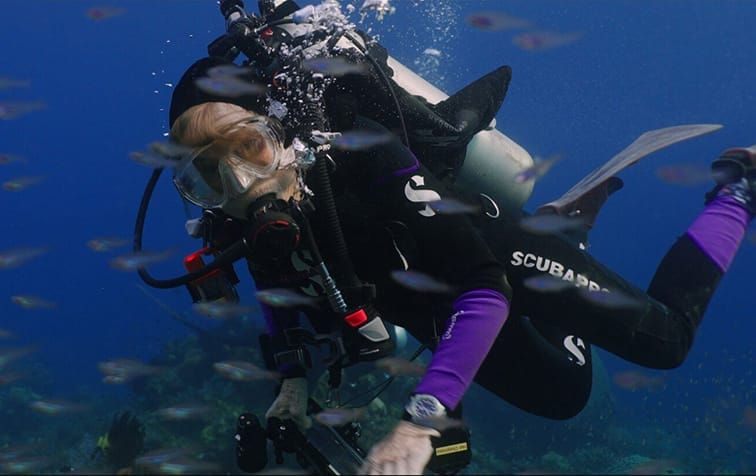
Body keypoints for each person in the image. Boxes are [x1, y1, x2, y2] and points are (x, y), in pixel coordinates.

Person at [160, 1, 755, 474]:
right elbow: (279, 297)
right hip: (437, 312)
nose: (241, 183)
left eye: (252, 150)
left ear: (285, 134)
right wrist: (291, 386)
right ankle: (567, 227)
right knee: (563, 396)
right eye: (210, 173)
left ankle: (738, 190)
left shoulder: (366, 157)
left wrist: (421, 420)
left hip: (494, 258)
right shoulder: (240, 224)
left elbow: (484, 288)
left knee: (666, 343)